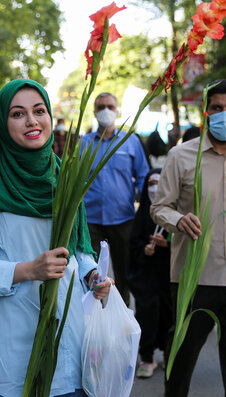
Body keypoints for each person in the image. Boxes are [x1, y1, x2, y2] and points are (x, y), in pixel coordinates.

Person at [0, 79, 112, 397]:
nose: (32, 120)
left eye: (39, 111)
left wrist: (91, 274)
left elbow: (75, 250)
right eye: (18, 114)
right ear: (3, 124)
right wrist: (28, 270)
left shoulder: (64, 175)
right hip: (11, 352)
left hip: (71, 342)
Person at [150, 79, 226, 397]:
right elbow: (159, 207)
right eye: (217, 108)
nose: (224, 114)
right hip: (195, 278)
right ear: (206, 113)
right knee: (180, 362)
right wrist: (178, 219)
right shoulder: (180, 156)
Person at [81, 92, 149, 305]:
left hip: (123, 218)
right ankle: (91, 314)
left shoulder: (130, 141)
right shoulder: (84, 143)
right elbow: (75, 178)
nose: (105, 111)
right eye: (101, 107)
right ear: (94, 111)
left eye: (110, 106)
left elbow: (143, 178)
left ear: (117, 110)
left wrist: (145, 213)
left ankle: (122, 312)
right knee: (90, 272)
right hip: (90, 219)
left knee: (124, 272)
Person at [127, 168, 173, 379]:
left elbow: (184, 241)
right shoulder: (143, 213)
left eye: (159, 183)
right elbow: (133, 243)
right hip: (146, 276)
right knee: (146, 313)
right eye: (151, 184)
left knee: (169, 313)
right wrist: (144, 250)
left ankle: (169, 354)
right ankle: (146, 357)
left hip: (168, 276)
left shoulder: (173, 212)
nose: (155, 188)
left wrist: (168, 244)